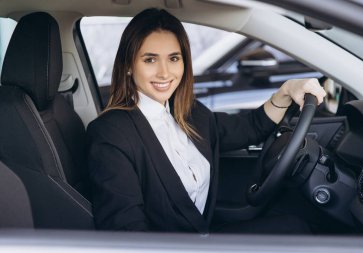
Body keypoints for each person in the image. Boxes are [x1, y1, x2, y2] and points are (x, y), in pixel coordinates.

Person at [86, 8, 326, 233]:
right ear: (128, 65)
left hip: (204, 236)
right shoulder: (110, 133)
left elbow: (249, 128)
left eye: (173, 58)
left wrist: (287, 90)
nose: (164, 72)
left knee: (296, 226)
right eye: (150, 59)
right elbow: (126, 234)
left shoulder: (188, 112)